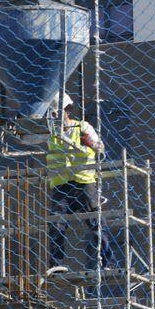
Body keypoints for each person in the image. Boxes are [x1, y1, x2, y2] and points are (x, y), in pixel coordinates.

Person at [45, 93, 112, 275]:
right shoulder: (51, 131)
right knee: (56, 223)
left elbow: (101, 148)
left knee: (96, 222)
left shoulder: (82, 127)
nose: (55, 116)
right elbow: (29, 138)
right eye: (52, 113)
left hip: (83, 181)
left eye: (58, 112)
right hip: (62, 184)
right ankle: (56, 264)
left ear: (67, 110)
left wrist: (90, 142)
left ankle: (106, 261)